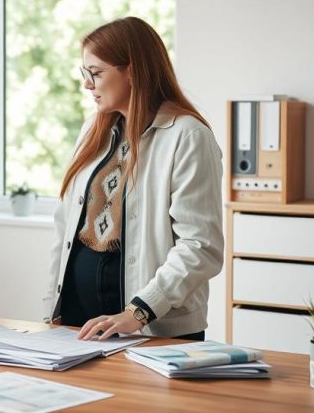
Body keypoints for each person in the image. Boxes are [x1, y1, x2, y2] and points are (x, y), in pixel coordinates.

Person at [44, 17, 224, 341]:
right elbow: (64, 226)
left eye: (95, 73)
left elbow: (201, 246)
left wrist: (138, 311)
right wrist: (51, 308)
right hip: (78, 323)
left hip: (152, 328)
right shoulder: (92, 130)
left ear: (132, 70)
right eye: (85, 73)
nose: (87, 84)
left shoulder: (188, 136)